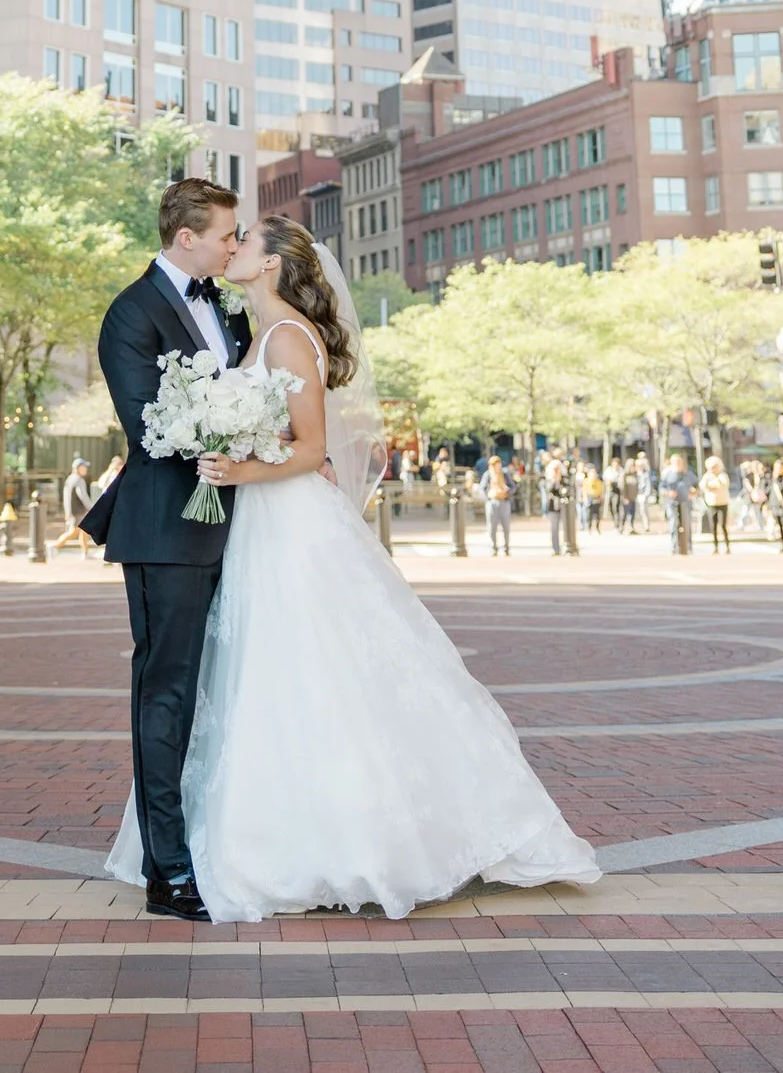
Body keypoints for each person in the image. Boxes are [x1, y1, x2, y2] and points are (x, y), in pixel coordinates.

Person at [108, 215, 598, 919]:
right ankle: (258, 834)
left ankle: (351, 844)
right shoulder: (254, 332)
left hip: (288, 522)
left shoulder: (286, 338)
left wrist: (235, 467)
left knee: (314, 673)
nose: (235, 245)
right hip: (256, 526)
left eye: (244, 240)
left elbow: (309, 449)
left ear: (271, 263)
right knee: (261, 675)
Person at [81, 176, 251, 922]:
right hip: (166, 530)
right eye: (225, 234)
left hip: (242, 523)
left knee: (228, 691)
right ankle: (168, 871)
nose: (234, 245)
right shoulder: (131, 312)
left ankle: (225, 847)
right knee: (168, 694)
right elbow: (149, 422)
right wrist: (237, 425)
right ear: (187, 237)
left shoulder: (229, 306)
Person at [55, 457, 96, 554]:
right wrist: (92, 508)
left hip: (74, 511)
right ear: (78, 468)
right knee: (73, 532)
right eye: (84, 467)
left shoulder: (70, 479)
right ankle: (54, 546)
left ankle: (85, 553)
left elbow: (66, 497)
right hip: (78, 512)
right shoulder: (79, 480)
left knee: (84, 531)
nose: (86, 469)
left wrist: (67, 511)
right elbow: (83, 497)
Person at [663, 452, 695, 554]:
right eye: (675, 462)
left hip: (686, 503)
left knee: (687, 524)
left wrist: (694, 493)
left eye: (679, 462)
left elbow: (697, 485)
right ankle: (674, 546)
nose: (678, 464)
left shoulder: (688, 474)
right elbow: (661, 488)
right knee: (673, 524)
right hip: (672, 503)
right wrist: (668, 493)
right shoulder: (667, 474)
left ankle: (688, 546)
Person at [701, 453, 732, 554]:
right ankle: (715, 546)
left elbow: (722, 486)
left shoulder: (722, 476)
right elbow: (703, 486)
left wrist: (712, 485)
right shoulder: (707, 476)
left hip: (722, 503)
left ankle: (727, 545)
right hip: (712, 503)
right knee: (713, 526)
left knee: (723, 525)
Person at [482, 454, 512, 557]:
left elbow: (512, 486)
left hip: (504, 501)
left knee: (506, 526)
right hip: (492, 501)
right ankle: (493, 547)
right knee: (492, 526)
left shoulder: (505, 473)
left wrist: (507, 492)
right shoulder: (488, 475)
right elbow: (482, 488)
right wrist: (488, 497)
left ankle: (506, 547)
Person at [543, 452, 569, 555]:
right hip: (553, 506)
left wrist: (561, 479)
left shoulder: (565, 480)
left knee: (566, 527)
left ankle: (567, 546)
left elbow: (568, 490)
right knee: (554, 528)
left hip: (564, 506)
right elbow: (549, 490)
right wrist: (554, 480)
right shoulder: (550, 481)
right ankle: (556, 548)